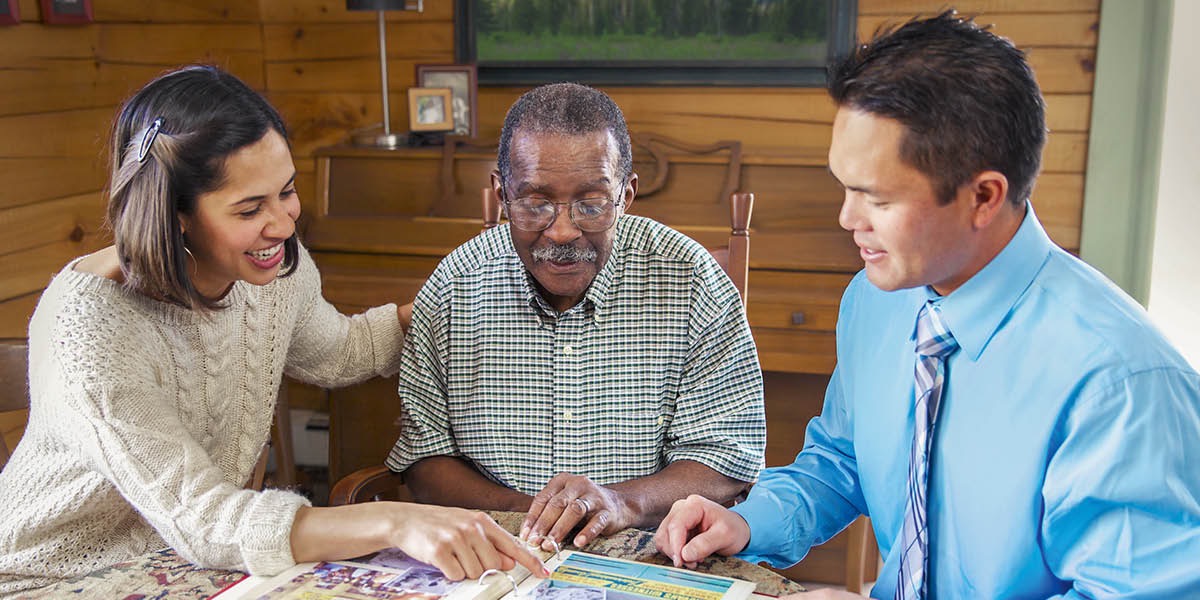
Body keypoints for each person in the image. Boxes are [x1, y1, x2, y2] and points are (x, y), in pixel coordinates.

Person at [655, 12, 1200, 599]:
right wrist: (746, 522)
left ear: (983, 197)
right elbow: (842, 461)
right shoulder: (875, 300)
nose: (847, 219)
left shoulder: (1122, 385)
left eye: (877, 198)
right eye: (844, 185)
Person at [0, 65, 545, 594]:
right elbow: (205, 518)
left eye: (286, 191)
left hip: (192, 567)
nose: (284, 225)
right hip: (54, 579)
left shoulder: (270, 264)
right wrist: (398, 520)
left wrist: (443, 306)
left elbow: (338, 351)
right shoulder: (90, 325)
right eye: (249, 208)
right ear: (175, 213)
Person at [385, 83, 766, 551]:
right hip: (496, 554)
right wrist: (541, 518)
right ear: (501, 194)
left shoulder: (691, 279)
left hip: (648, 560)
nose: (562, 231)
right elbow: (424, 461)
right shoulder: (455, 283)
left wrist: (620, 504)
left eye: (591, 204)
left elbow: (728, 460)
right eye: (535, 204)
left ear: (626, 195)